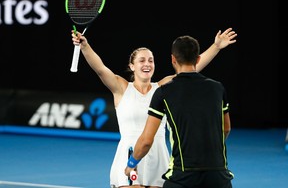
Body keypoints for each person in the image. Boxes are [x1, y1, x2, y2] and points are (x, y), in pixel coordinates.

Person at [71, 28, 237, 188]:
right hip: (128, 155)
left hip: (159, 157)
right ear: (132, 66)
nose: (147, 64)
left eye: (151, 60)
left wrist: (215, 47)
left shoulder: (163, 88)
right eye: (142, 60)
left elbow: (191, 68)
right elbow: (100, 69)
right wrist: (85, 47)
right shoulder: (121, 88)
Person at [125, 34, 235, 188]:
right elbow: (226, 128)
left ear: (173, 59)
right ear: (197, 59)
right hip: (219, 177)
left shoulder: (163, 92)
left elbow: (146, 141)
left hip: (182, 177)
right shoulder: (218, 88)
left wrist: (131, 164)